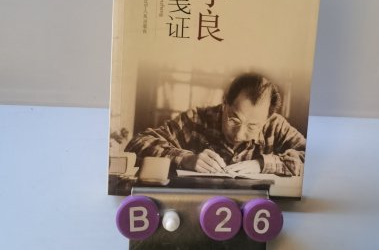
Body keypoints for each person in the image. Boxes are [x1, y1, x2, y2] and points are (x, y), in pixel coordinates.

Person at [125, 73, 306, 176]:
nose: (239, 134)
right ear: (224, 103)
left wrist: (262, 164)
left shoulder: (276, 126)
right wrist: (187, 159)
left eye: (252, 126)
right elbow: (137, 144)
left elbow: (310, 158)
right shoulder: (197, 119)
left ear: (267, 119)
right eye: (234, 119)